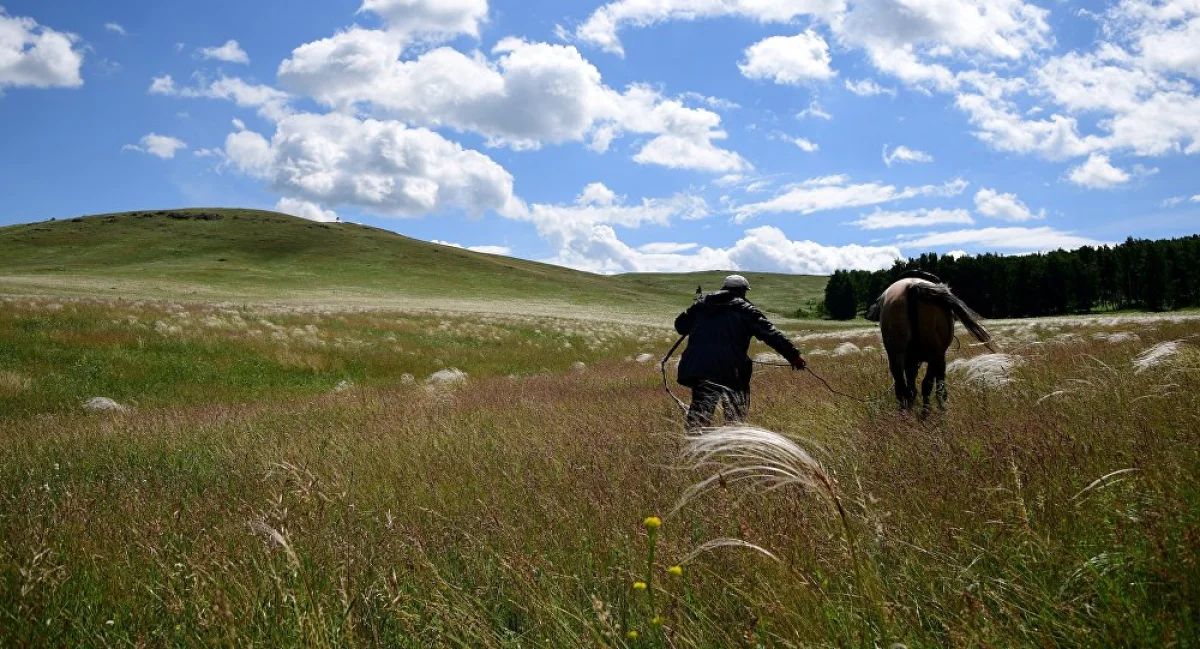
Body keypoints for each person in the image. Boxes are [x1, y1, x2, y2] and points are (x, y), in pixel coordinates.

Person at [674, 275, 806, 429]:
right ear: (743, 291)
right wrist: (793, 356)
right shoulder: (745, 309)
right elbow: (771, 333)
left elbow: (680, 325)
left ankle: (694, 448)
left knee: (700, 415)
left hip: (700, 368)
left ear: (724, 288)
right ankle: (732, 446)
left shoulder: (701, 306)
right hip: (731, 370)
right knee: (735, 415)